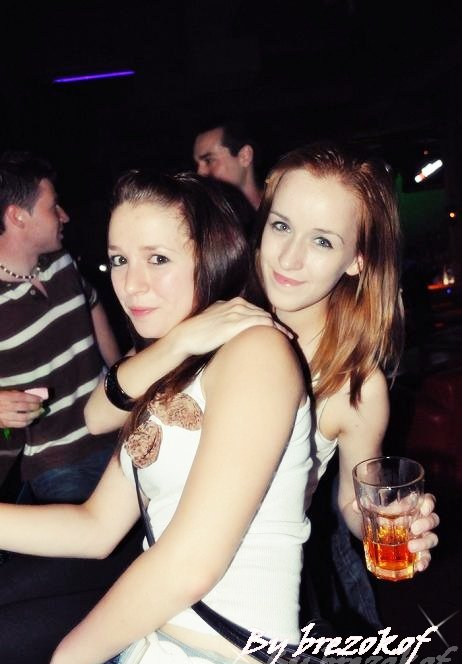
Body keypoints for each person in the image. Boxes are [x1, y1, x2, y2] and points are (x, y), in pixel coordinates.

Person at [85, 143, 439, 626]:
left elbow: (352, 501)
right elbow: (99, 414)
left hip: (246, 601)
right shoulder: (213, 310)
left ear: (357, 260)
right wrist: (181, 340)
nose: (289, 258)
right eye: (281, 226)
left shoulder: (354, 384)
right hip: (159, 581)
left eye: (322, 242)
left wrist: (399, 521)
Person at [0, 170, 314, 664]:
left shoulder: (255, 351)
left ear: (212, 257)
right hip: (148, 655)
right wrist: (177, 343)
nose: (131, 284)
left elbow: (190, 564)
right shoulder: (166, 367)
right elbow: (97, 526)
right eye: (120, 259)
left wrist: (67, 662)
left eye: (158, 259)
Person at [0, 150, 121, 504]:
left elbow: (92, 306)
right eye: (53, 207)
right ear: (18, 216)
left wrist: (121, 379)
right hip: (59, 461)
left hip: (118, 429)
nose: (64, 215)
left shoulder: (62, 261)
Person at [193, 120, 263, 208]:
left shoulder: (276, 206)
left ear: (245, 156)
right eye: (197, 164)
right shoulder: (203, 212)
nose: (200, 172)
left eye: (209, 160)